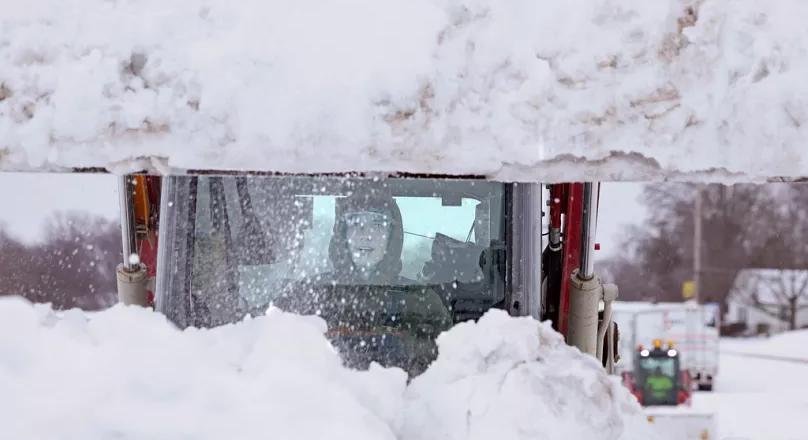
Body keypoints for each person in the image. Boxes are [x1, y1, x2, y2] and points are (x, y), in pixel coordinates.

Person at [276, 188, 452, 375]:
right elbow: (274, 358)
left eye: (377, 224)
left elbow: (443, 372)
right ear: (342, 233)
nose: (366, 234)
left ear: (392, 235)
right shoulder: (308, 295)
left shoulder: (420, 300)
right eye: (355, 222)